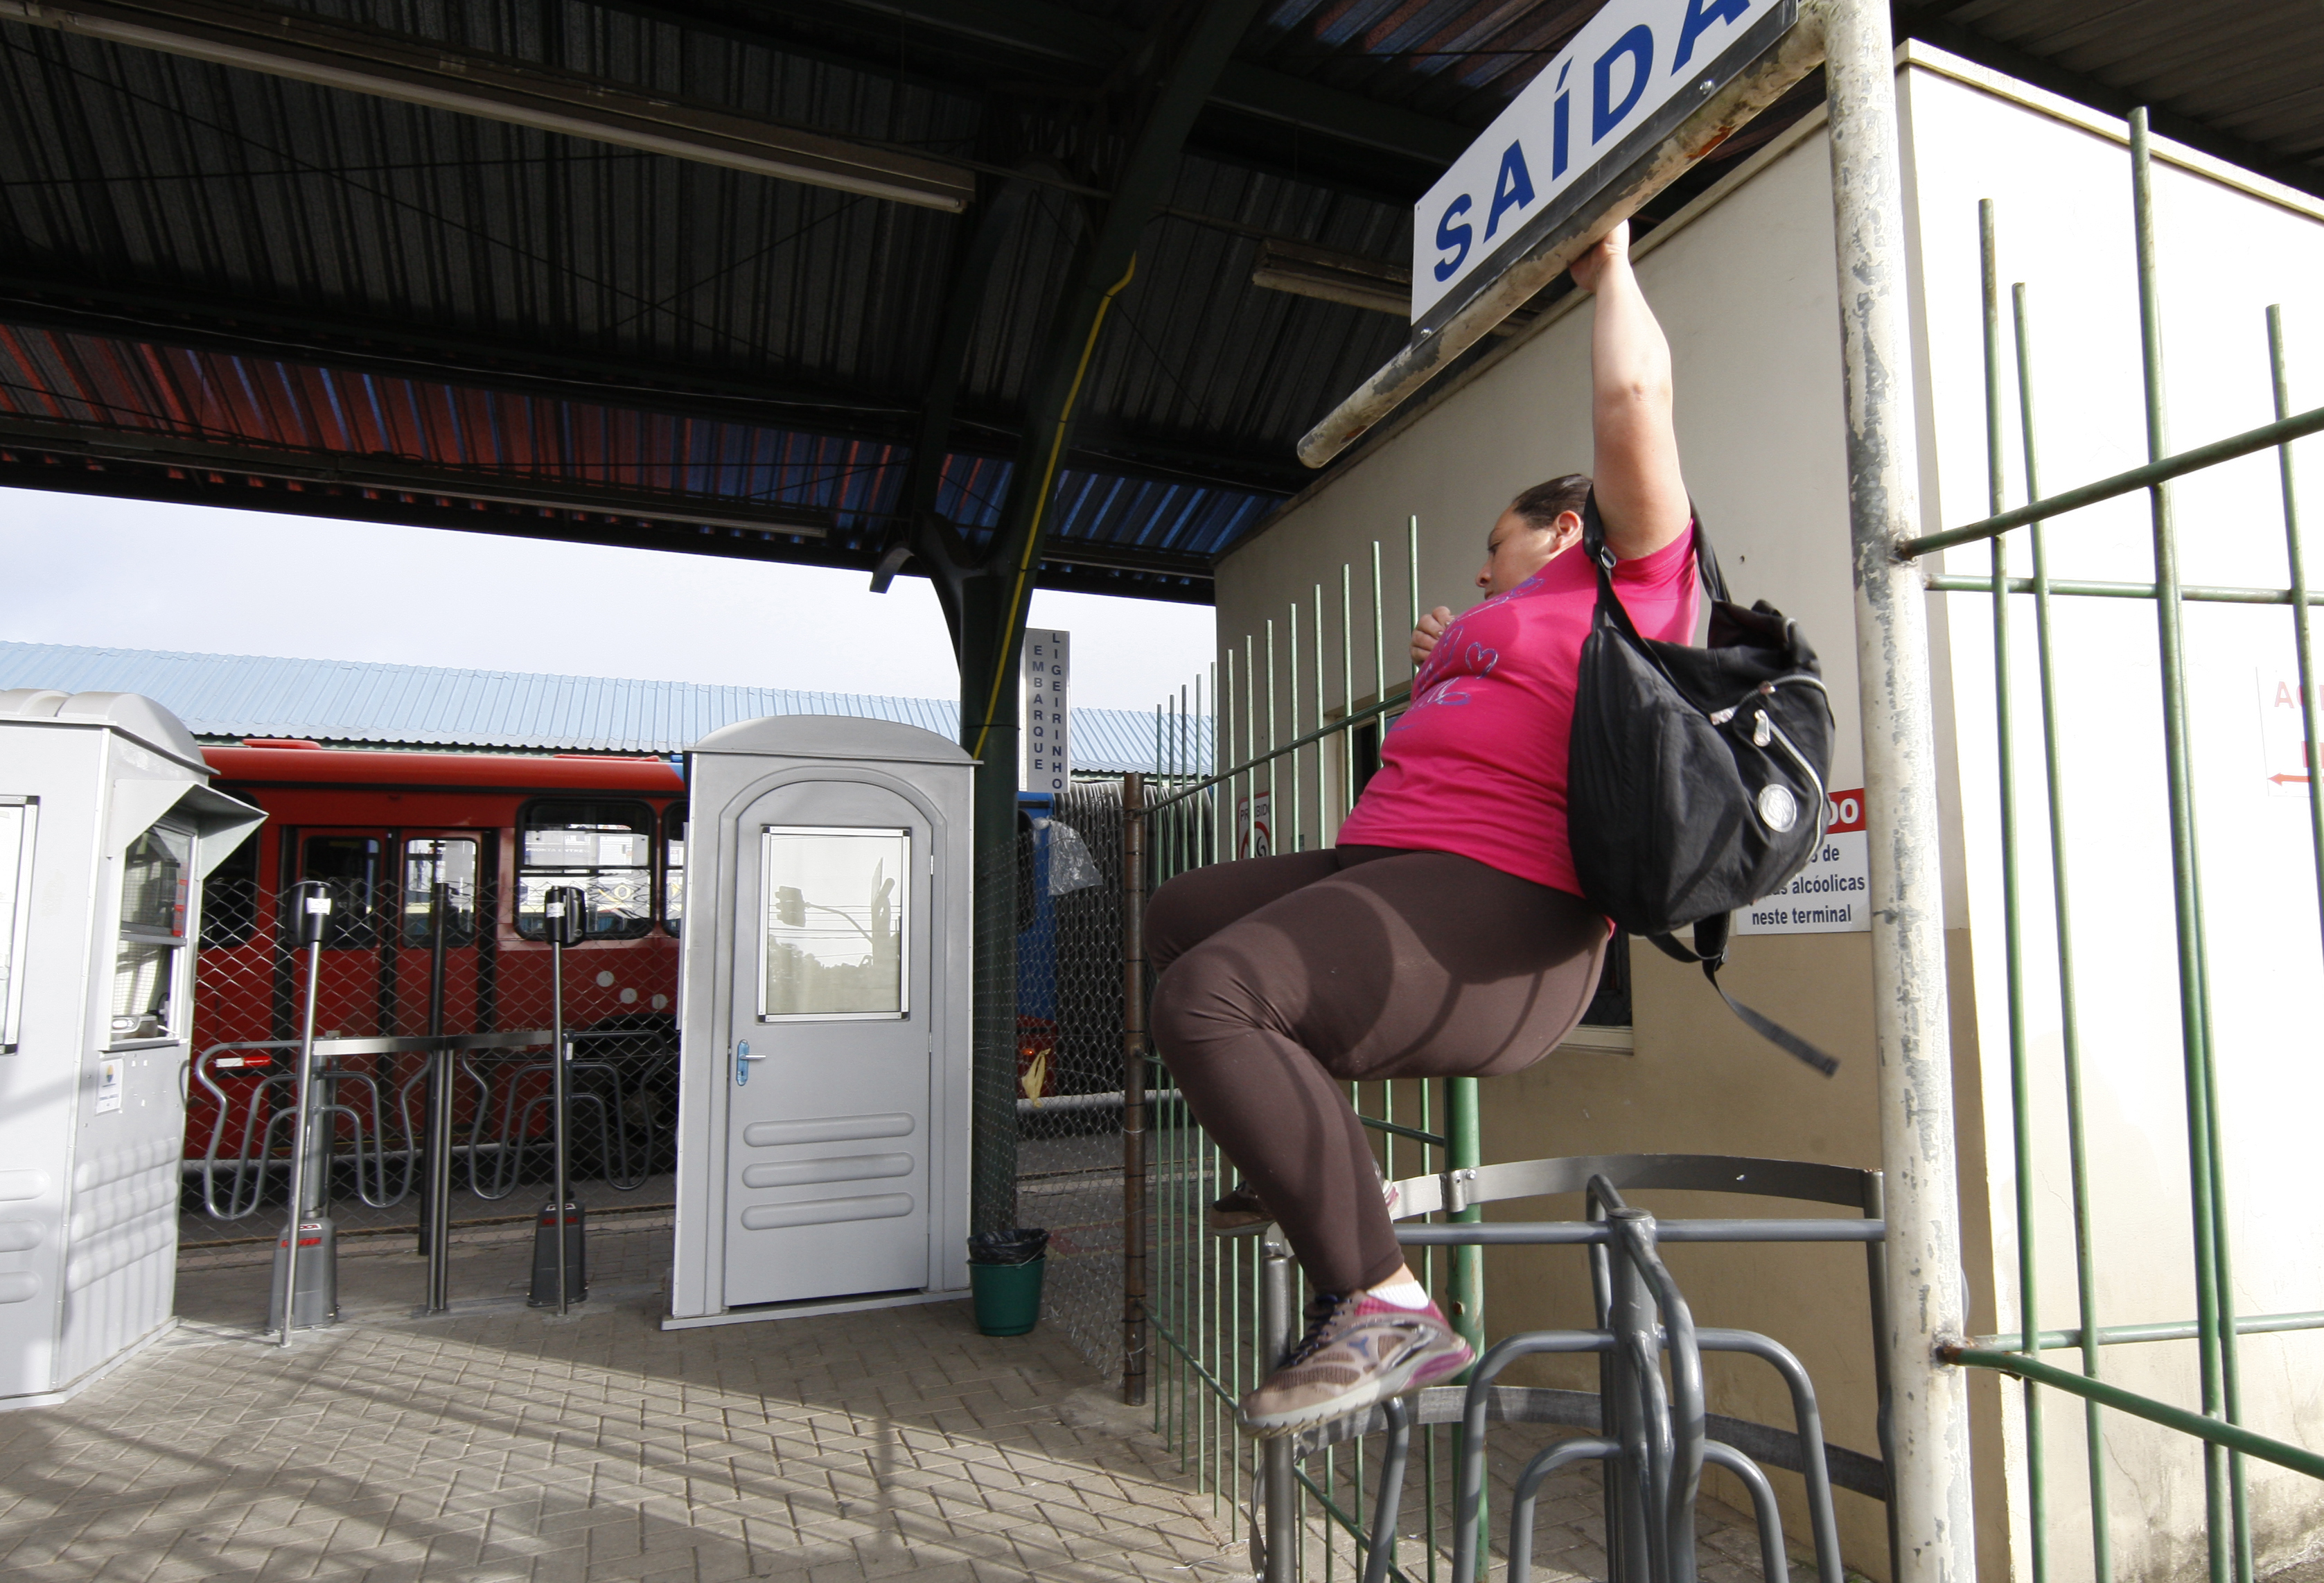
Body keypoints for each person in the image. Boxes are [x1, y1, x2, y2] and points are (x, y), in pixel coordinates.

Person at [1143, 219, 1700, 1437]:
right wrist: (1453, 659)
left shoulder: (1635, 583)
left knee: (1209, 995)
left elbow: (1633, 400)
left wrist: (1608, 264)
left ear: (1564, 530)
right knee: (1178, 918)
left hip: (1505, 909)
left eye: (1494, 548)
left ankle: (1385, 1306)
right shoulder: (1498, 628)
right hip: (1397, 867)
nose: (1481, 571)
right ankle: (1288, 1157)